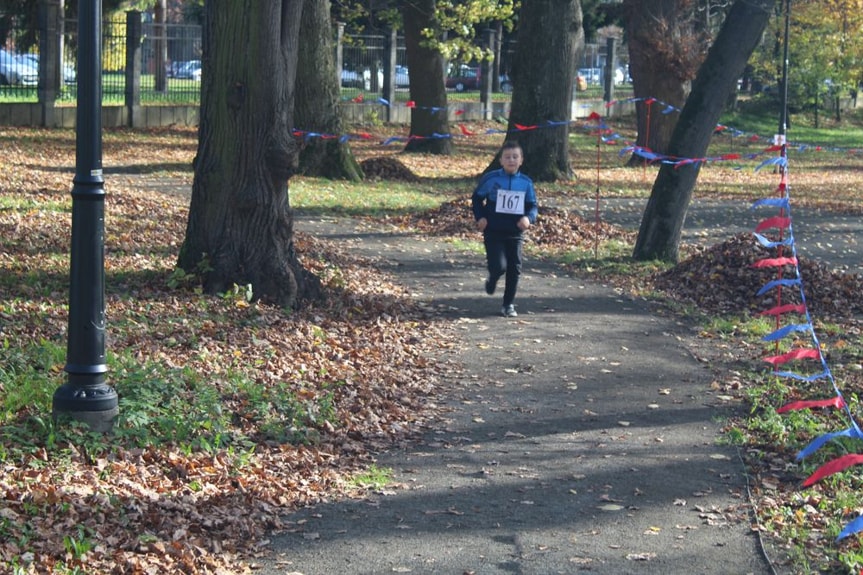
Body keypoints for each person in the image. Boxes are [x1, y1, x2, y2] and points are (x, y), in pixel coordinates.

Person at [471, 140, 538, 317]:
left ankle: (508, 304)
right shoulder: (491, 179)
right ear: (500, 160)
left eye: (515, 157)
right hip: (493, 229)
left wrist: (528, 218)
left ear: (521, 160)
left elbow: (532, 206)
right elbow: (477, 199)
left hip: (515, 231)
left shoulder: (525, 182)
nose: (511, 160)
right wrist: (481, 217)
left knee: (515, 267)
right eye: (507, 157)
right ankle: (493, 278)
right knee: (499, 266)